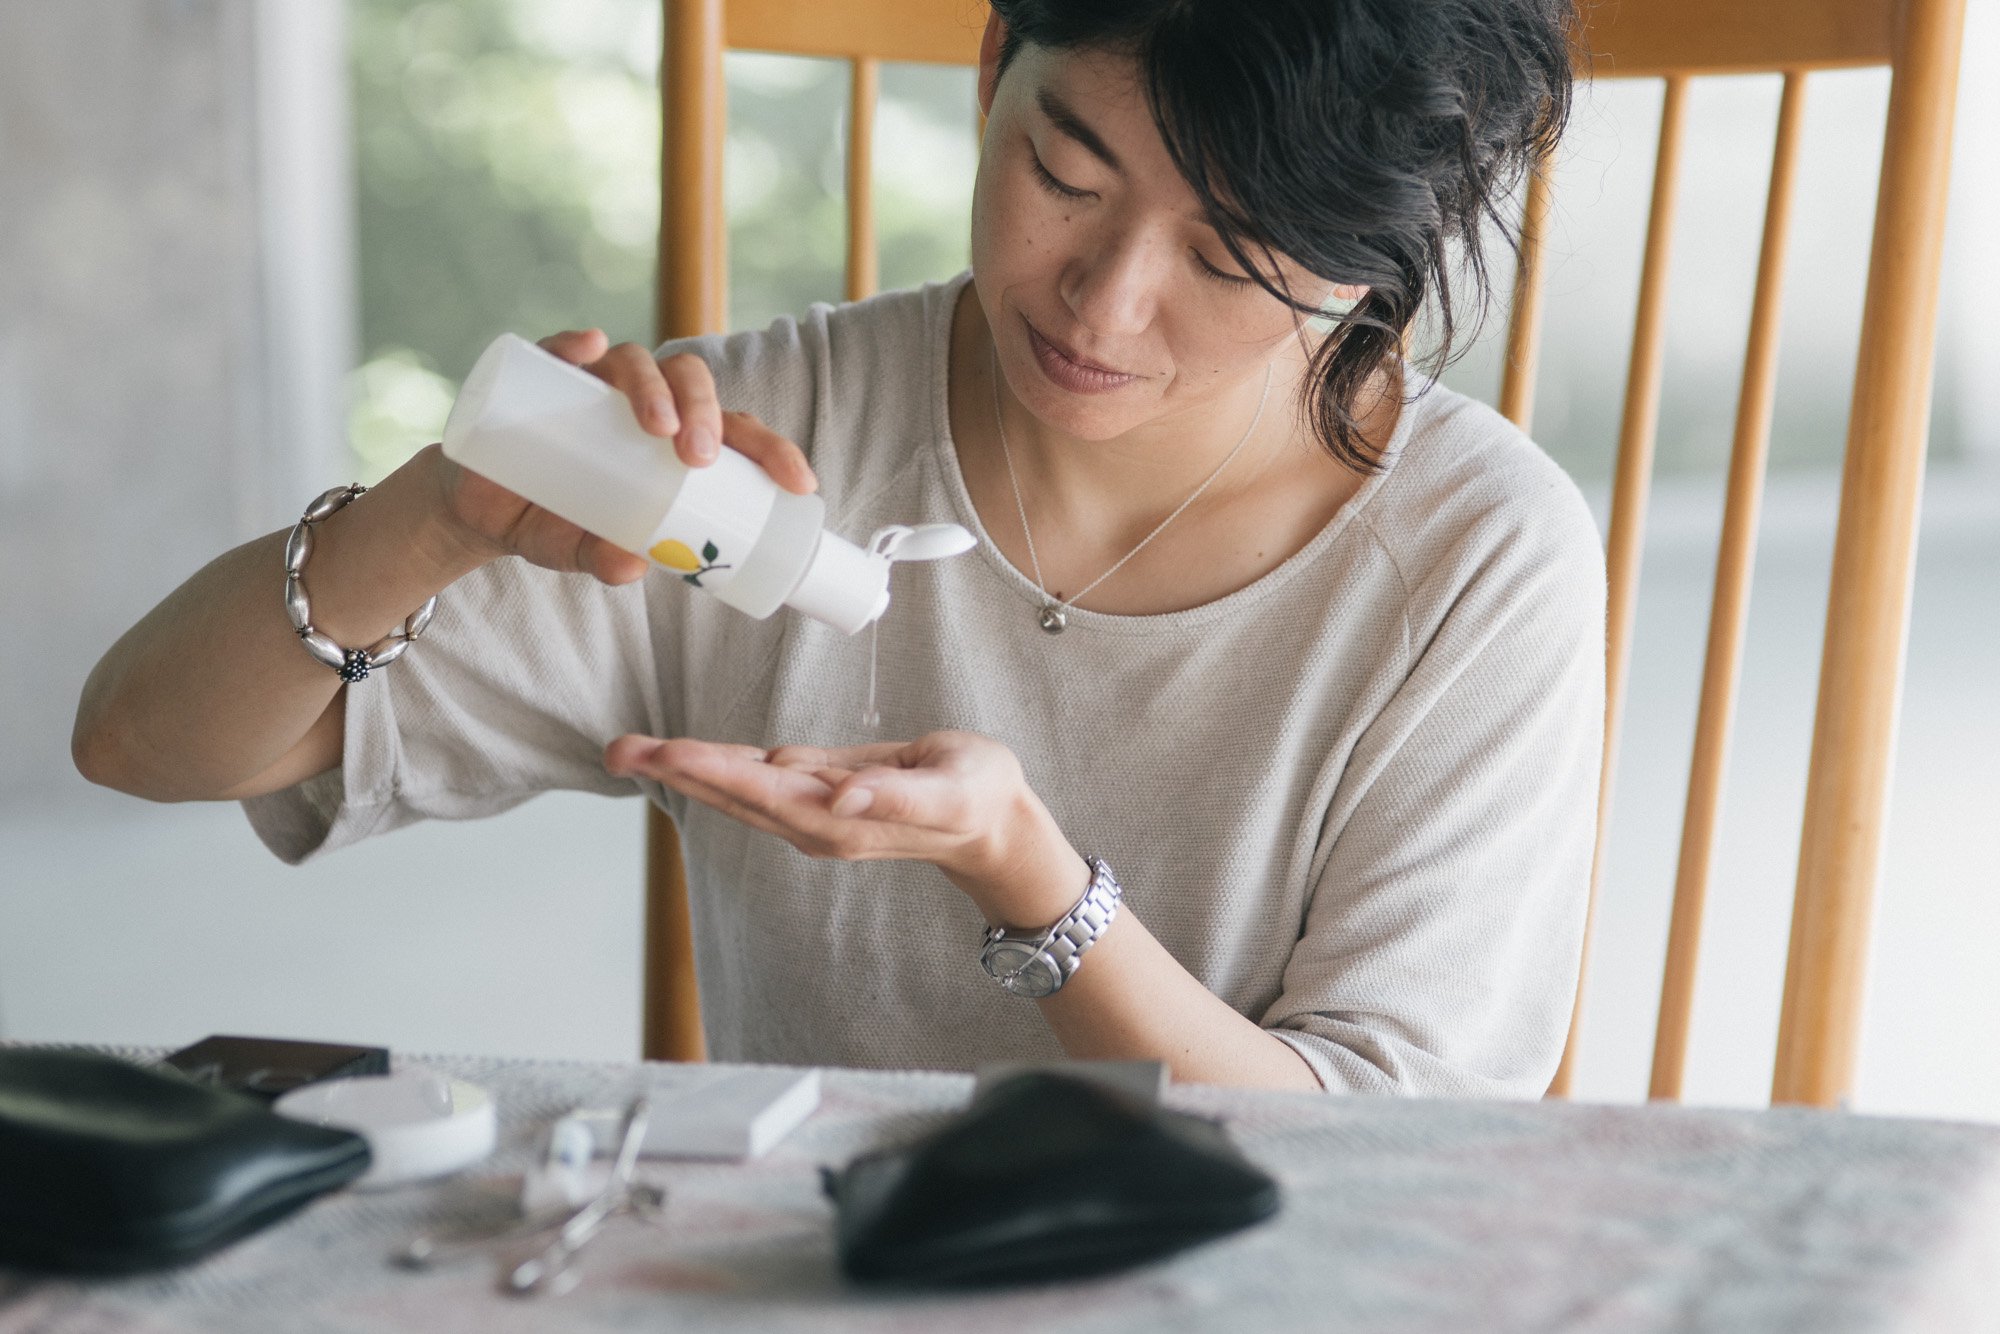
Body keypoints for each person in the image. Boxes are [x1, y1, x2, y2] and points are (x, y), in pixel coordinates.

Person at [73, 0, 1602, 1096]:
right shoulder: (758, 458)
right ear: (997, 57)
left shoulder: (1476, 560)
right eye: (1063, 176)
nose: (1103, 302)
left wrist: (1031, 878)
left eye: (1228, 259)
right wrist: (433, 516)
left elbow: (1387, 1169)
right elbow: (143, 737)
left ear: (1363, 273)